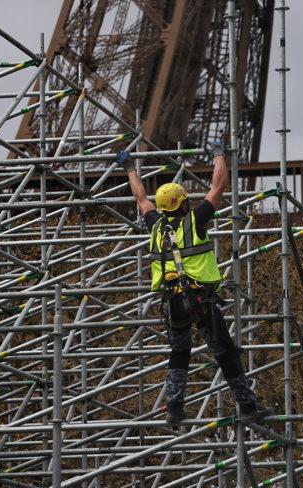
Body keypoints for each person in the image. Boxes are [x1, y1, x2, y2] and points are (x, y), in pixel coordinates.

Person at [116, 145, 271, 425]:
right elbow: (218, 185)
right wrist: (219, 155)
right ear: (183, 203)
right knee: (224, 351)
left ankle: (174, 408)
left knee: (179, 353)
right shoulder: (195, 221)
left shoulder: (155, 226)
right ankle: (248, 405)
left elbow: (140, 198)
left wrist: (129, 168)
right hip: (200, 298)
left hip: (172, 301)